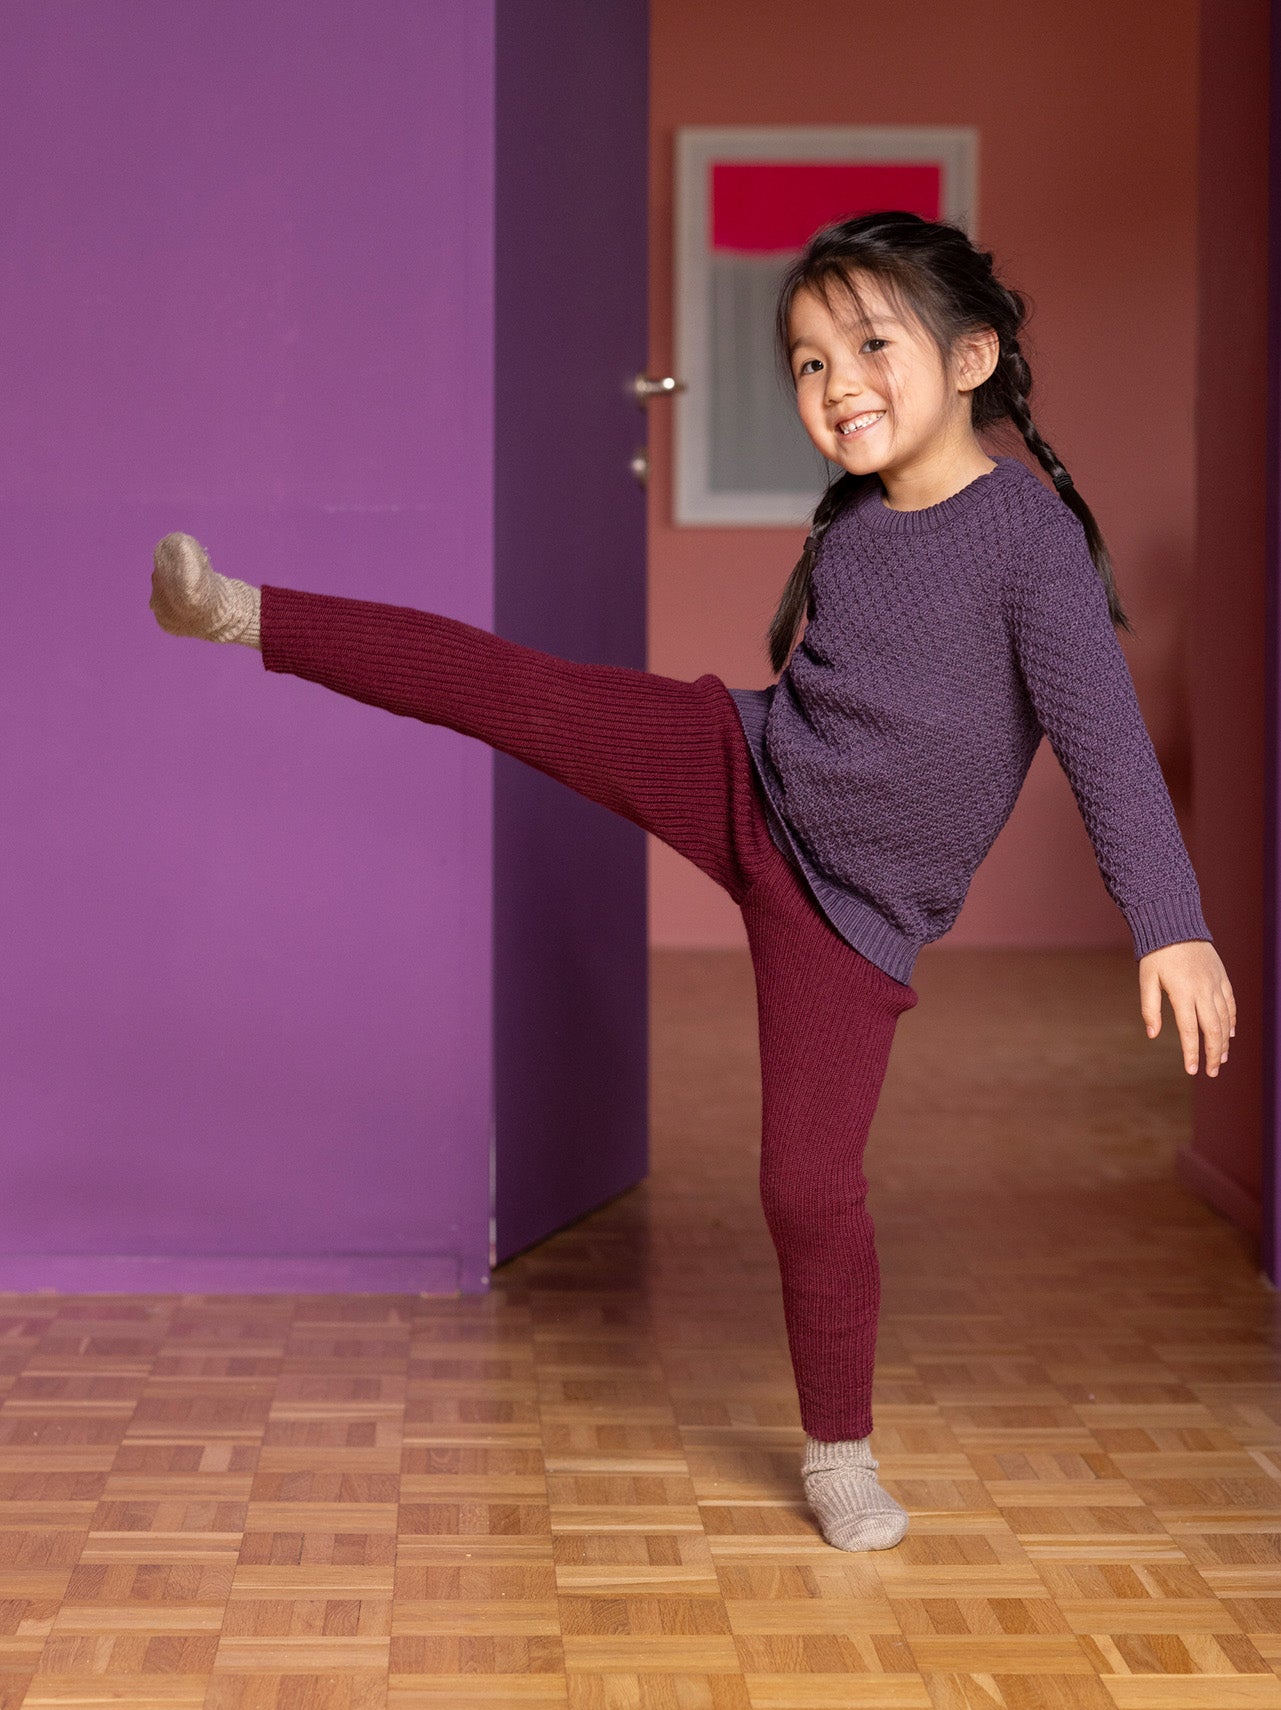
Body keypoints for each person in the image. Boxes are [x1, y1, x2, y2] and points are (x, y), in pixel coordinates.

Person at [149, 209, 1236, 1555]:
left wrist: (1168, 925)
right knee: (519, 691)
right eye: (806, 364)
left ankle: (839, 1451)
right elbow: (829, 705)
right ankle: (247, 611)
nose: (835, 387)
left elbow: (1104, 741)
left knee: (804, 1191)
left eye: (868, 346)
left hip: (848, 917)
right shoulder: (847, 534)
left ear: (972, 359)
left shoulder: (1024, 539)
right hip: (740, 766)